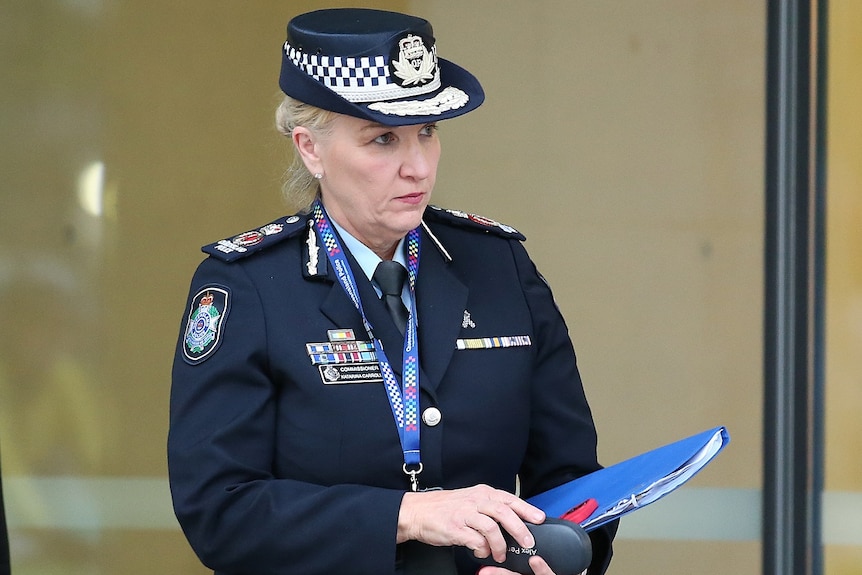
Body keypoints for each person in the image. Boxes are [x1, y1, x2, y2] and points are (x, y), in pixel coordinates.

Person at [168, 8, 617, 575]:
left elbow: (575, 482)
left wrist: (553, 564)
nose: (417, 167)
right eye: (383, 140)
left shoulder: (500, 265)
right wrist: (404, 514)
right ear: (310, 149)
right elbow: (220, 511)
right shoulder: (249, 285)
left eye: (426, 133)